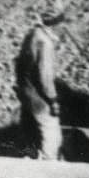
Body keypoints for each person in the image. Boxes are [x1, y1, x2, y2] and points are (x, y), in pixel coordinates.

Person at [16, 11, 65, 161]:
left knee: (32, 131)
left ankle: (31, 159)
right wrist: (53, 99)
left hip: (25, 90)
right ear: (55, 25)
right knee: (52, 131)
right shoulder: (45, 43)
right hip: (37, 96)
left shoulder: (31, 36)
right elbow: (45, 76)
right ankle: (49, 165)